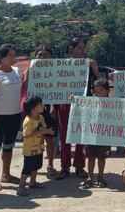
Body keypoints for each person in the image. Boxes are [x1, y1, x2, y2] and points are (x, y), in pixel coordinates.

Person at [56, 37, 100, 180]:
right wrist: (52, 106)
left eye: (83, 48)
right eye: (79, 47)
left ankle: (80, 166)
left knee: (81, 135)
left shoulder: (88, 64)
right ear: (71, 49)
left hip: (83, 104)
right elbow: (54, 85)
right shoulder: (62, 64)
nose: (83, 50)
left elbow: (99, 81)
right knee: (64, 136)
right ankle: (64, 166)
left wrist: (94, 68)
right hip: (65, 103)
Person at [0, 44, 24, 192]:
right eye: (10, 55)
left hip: (15, 114)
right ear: (1, 57)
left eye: (14, 54)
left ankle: (6, 174)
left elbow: (21, 89)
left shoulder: (16, 71)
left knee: (9, 146)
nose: (13, 58)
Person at [24, 45, 59, 178]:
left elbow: (58, 90)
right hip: (34, 111)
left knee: (50, 139)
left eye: (46, 54)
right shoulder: (31, 70)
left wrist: (53, 106)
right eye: (40, 55)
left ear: (51, 57)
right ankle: (32, 166)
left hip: (49, 109)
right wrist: (27, 75)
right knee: (34, 137)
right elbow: (25, 89)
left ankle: (50, 165)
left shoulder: (56, 71)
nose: (43, 57)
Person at [17, 96, 53, 196]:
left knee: (37, 165)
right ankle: (21, 187)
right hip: (29, 149)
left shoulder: (41, 117)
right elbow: (26, 134)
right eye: (40, 105)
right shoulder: (28, 120)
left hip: (39, 147)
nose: (43, 106)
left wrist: (46, 130)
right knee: (27, 168)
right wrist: (43, 131)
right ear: (33, 108)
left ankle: (33, 182)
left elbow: (44, 127)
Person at [80, 79, 112, 189]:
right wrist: (75, 101)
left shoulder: (114, 104)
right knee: (90, 157)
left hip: (104, 135)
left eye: (100, 90)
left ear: (107, 91)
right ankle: (90, 178)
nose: (97, 93)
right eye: (95, 90)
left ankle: (100, 177)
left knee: (102, 158)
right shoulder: (88, 102)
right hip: (90, 134)